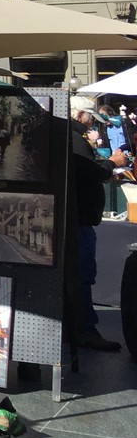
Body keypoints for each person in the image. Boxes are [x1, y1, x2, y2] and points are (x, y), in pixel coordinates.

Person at [67, 97, 123, 351]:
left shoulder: (72, 138)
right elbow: (87, 172)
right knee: (82, 275)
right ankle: (85, 330)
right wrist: (112, 164)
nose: (92, 126)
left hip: (80, 219)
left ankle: (80, 328)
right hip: (79, 222)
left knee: (82, 275)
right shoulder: (74, 139)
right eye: (90, 119)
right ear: (80, 115)